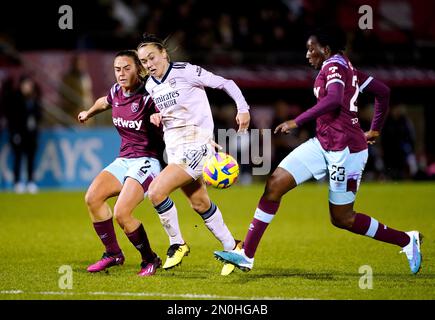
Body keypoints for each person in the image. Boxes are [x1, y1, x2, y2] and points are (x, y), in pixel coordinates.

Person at [214, 27, 423, 275]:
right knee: (275, 184)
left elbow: (334, 100)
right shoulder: (347, 67)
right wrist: (374, 129)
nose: (307, 54)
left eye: (311, 48)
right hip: (323, 143)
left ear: (325, 49)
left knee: (342, 218)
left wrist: (296, 121)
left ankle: (406, 240)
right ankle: (246, 255)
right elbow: (383, 92)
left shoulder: (334, 67)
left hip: (345, 150)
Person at [137, 34, 250, 276]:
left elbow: (226, 83)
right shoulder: (150, 85)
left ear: (164, 54)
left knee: (156, 191)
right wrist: (155, 116)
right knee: (199, 203)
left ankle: (177, 243)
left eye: (152, 57)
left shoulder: (186, 71)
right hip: (176, 150)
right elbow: (168, 112)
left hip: (199, 146)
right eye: (144, 61)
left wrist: (243, 108)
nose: (148, 64)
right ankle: (234, 247)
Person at [77, 50, 163, 276]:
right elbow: (104, 102)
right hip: (124, 159)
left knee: (122, 213)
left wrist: (159, 117)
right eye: (117, 69)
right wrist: (89, 113)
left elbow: (168, 112)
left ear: (139, 69)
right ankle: (113, 253)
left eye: (127, 68)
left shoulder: (149, 95)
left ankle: (150, 259)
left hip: (147, 160)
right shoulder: (116, 91)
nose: (122, 74)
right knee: (92, 198)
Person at [5, 75, 42, 194]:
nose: (28, 87)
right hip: (19, 134)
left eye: (30, 85)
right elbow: (11, 117)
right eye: (26, 84)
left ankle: (31, 181)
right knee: (18, 158)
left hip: (31, 134)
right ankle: (17, 182)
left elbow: (39, 115)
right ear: (21, 86)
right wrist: (14, 133)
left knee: (31, 159)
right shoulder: (15, 98)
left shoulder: (34, 99)